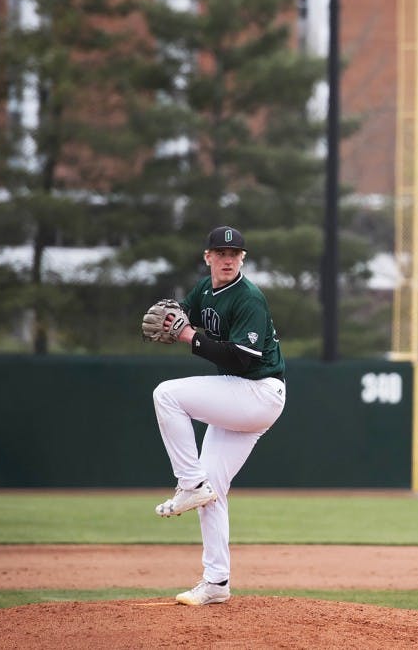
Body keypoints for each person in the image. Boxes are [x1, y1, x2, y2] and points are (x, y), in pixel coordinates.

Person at [149, 225, 286, 606]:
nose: (228, 259)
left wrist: (189, 336)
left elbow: (242, 357)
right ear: (207, 257)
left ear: (243, 258)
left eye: (235, 253)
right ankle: (216, 582)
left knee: (166, 395)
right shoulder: (204, 290)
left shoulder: (249, 298)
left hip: (259, 392)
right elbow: (182, 315)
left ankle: (188, 483)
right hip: (240, 396)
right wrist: (173, 319)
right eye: (220, 253)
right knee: (213, 492)